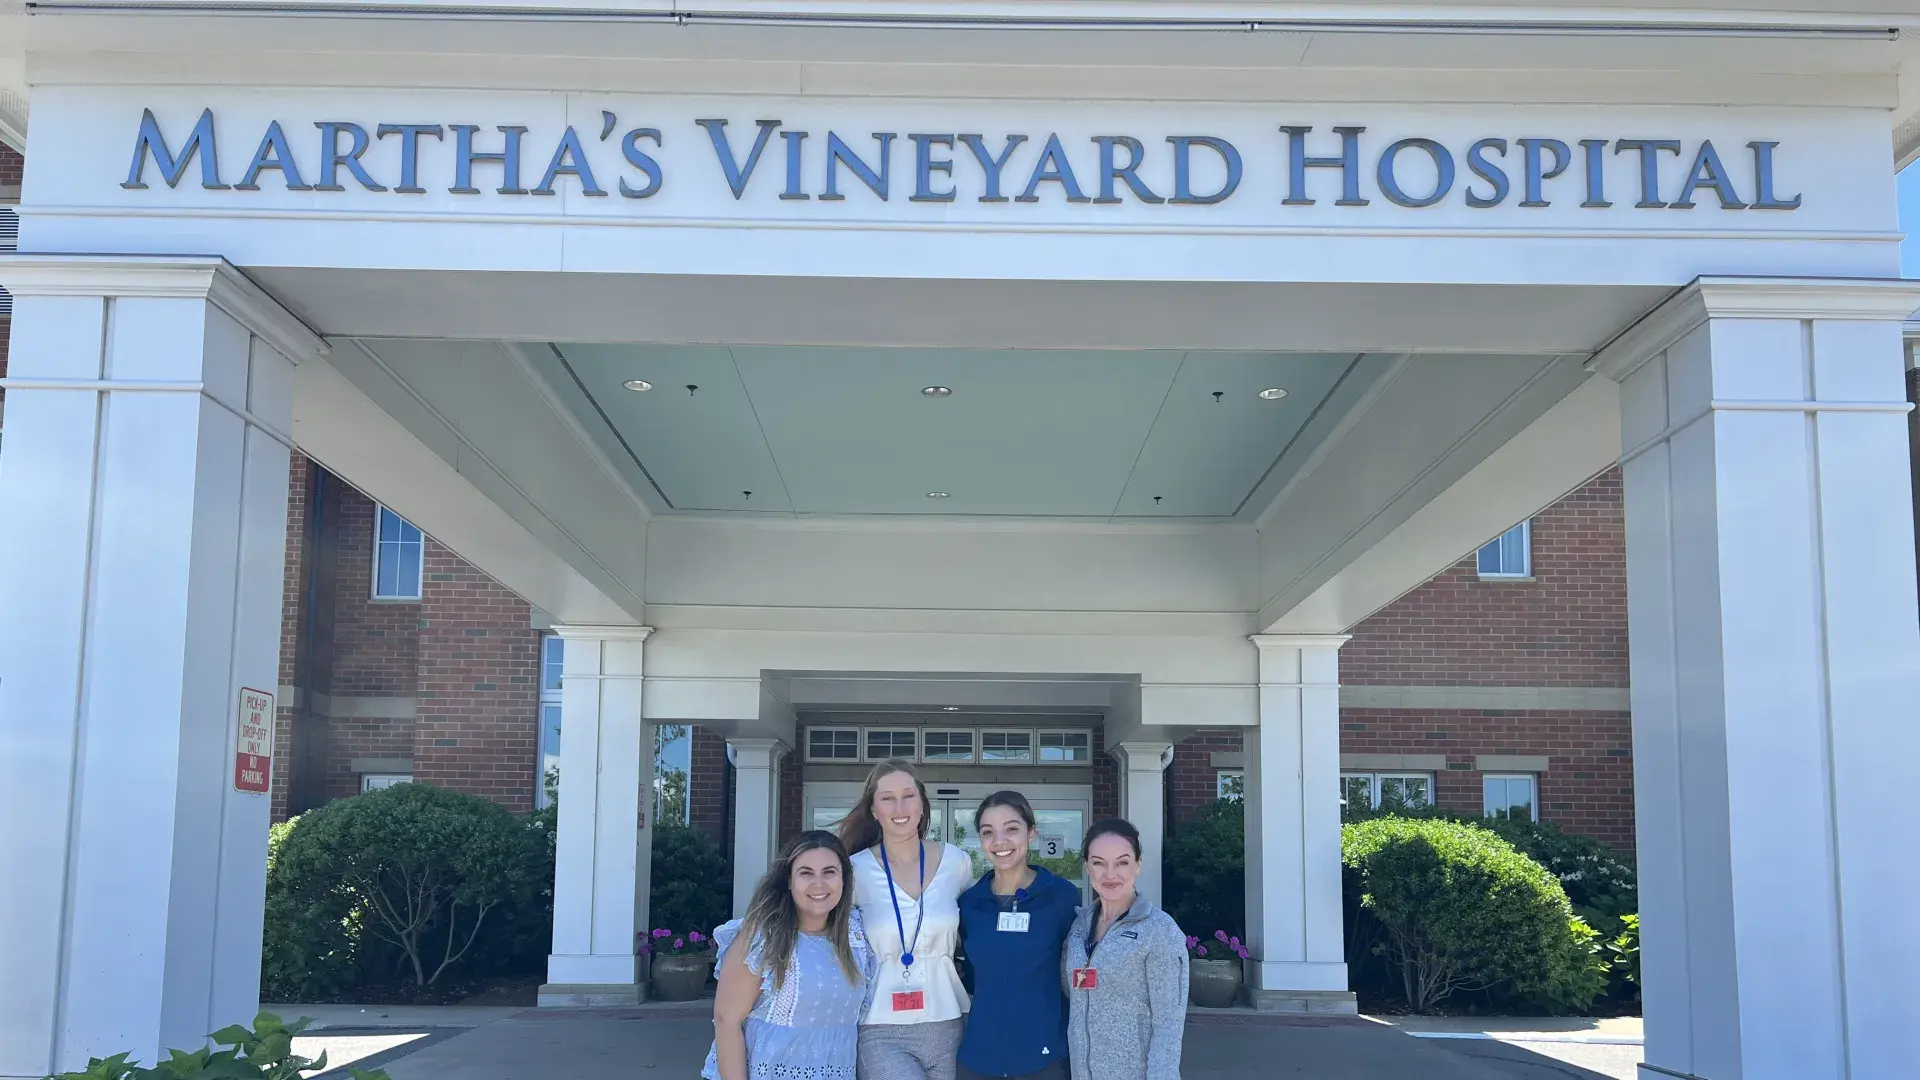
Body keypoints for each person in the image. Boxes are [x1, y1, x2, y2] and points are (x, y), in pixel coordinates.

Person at [704, 830, 876, 1080]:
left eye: (829, 872)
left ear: (844, 879)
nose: (819, 883)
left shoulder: (856, 935)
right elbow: (726, 1021)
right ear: (789, 880)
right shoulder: (762, 936)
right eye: (806, 873)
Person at [840, 758, 973, 1080]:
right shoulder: (853, 871)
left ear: (922, 804)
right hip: (880, 1025)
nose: (899, 806)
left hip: (951, 1018)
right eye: (887, 798)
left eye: (908, 795)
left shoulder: (957, 862)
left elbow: (973, 932)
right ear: (873, 809)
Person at [956, 791, 1079, 1080]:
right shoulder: (969, 904)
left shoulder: (1061, 897)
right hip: (978, 1061)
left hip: (1044, 1060)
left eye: (1011, 829)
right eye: (988, 832)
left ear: (1031, 833)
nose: (1000, 841)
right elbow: (974, 977)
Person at [1061, 818, 1187, 1080]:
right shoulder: (1078, 928)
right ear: (1087, 867)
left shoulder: (1159, 931)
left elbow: (1168, 1026)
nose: (1110, 874)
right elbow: (1070, 991)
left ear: (1137, 865)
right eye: (1098, 863)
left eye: (1122, 862)